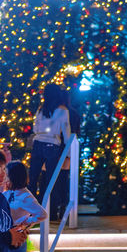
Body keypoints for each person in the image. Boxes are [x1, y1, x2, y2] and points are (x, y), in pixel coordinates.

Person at [29, 83, 70, 202]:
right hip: (52, 144)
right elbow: (67, 132)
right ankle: (50, 211)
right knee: (51, 180)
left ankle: (30, 210)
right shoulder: (63, 110)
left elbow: (35, 129)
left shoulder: (41, 109)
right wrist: (68, 153)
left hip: (38, 143)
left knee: (33, 178)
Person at [50, 89, 80, 219]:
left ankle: (55, 208)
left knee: (55, 180)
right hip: (68, 149)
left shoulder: (56, 112)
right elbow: (76, 131)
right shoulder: (73, 113)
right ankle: (64, 207)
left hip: (57, 148)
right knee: (64, 179)